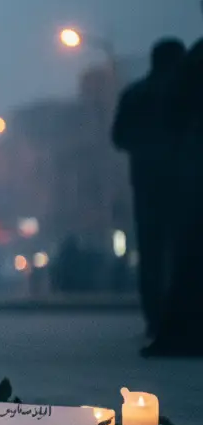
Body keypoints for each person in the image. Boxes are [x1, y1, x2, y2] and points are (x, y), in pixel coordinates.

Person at [111, 39, 186, 338]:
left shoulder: (135, 94)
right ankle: (178, 315)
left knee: (151, 251)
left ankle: (155, 316)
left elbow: (119, 137)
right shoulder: (186, 94)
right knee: (182, 249)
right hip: (185, 181)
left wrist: (143, 150)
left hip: (146, 182)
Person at [144, 22, 203, 357]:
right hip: (184, 172)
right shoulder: (193, 63)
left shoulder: (142, 91)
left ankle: (161, 320)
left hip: (160, 179)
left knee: (163, 251)